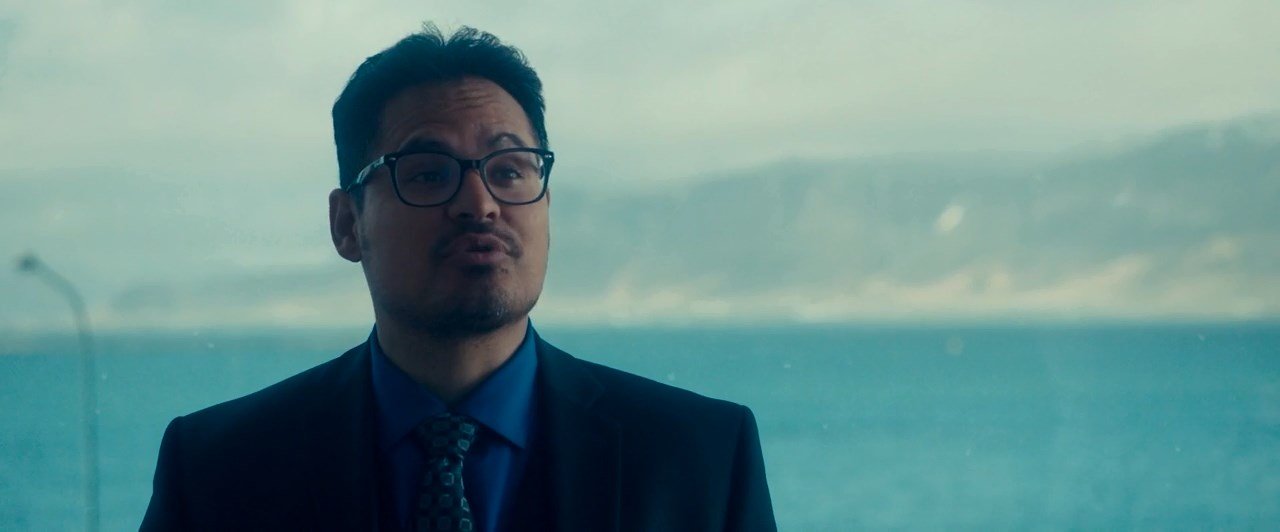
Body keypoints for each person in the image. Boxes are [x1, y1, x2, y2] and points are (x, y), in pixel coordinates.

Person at [141, 24, 776, 532]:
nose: (480, 204)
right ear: (347, 225)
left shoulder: (702, 458)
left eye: (510, 170)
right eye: (427, 173)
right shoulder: (218, 468)